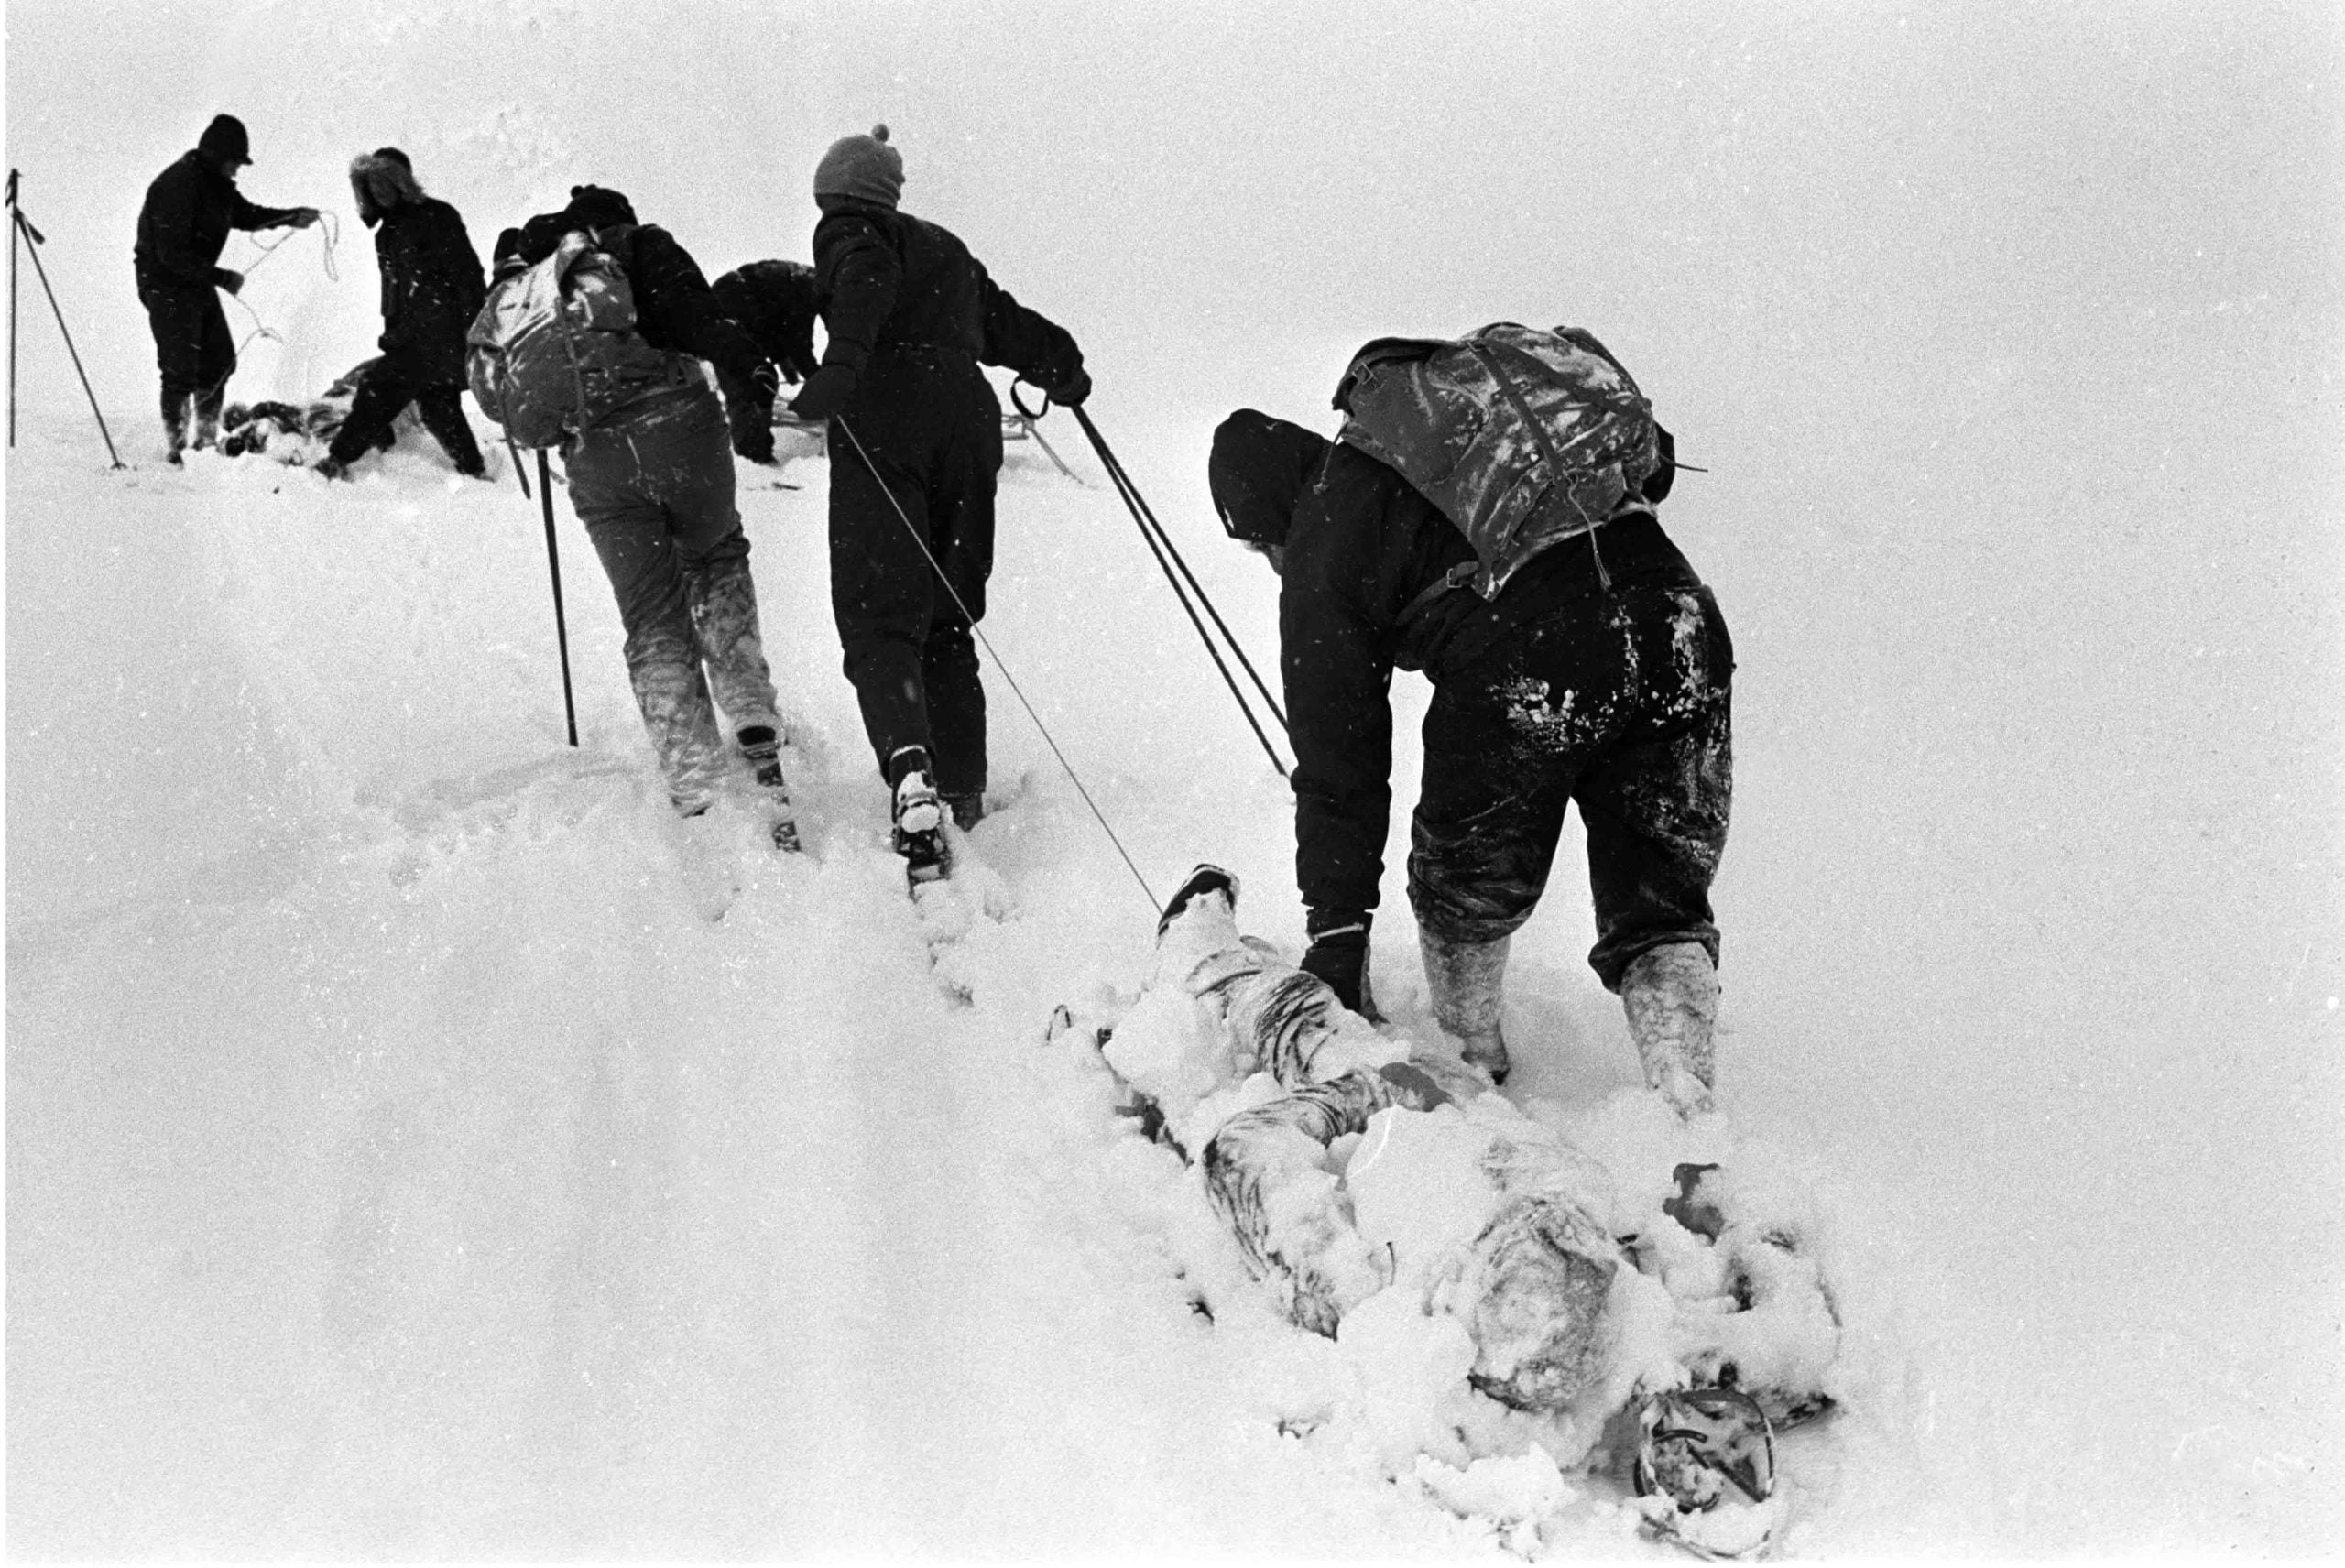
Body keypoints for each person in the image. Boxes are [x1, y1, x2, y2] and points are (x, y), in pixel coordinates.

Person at [1052, 864, 1837, 1558]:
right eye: (1727, 1422)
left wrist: (1368, 1097)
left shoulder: (1384, 1312)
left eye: (1689, 1453)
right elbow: (1783, 1329)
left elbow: (1243, 1159)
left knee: (1280, 1022)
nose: (1702, 1418)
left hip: (1369, 1124)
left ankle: (1193, 948)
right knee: (1318, 1015)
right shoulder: (1650, 1337)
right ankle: (1241, 969)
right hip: (1458, 1101)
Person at [1207, 389, 1731, 1116]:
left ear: (1269, 516)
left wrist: (1336, 929)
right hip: (1678, 622)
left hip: (1532, 655)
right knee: (1660, 902)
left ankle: (1473, 1081)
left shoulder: (1323, 535)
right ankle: (1688, 1117)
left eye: (1257, 543)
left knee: (1464, 891)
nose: (1268, 560)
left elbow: (1340, 765)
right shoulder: (1433, 455)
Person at [791, 124, 1090, 877]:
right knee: (949, 616)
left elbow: (863, 282)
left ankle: (912, 771)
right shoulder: (946, 250)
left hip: (889, 419)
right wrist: (1059, 360)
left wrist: (844, 366)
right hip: (966, 419)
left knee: (879, 613)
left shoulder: (850, 231)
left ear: (839, 192)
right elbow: (1002, 323)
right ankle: (963, 790)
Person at [502, 185, 791, 822]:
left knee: (650, 611)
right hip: (680, 429)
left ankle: (692, 772)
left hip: (597, 459)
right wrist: (746, 361)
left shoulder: (537, 278)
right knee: (715, 555)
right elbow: (696, 315)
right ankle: (747, 708)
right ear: (619, 220)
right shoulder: (641, 246)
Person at [132, 114, 321, 461]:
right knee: (179, 371)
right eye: (234, 162)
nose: (237, 170)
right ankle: (176, 450)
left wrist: (289, 217)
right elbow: (170, 254)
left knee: (218, 361)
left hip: (194, 281)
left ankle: (203, 444)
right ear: (217, 156)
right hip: (165, 285)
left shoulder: (216, 185)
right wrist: (222, 278)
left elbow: (244, 214)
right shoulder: (177, 185)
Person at [314, 148, 486, 480]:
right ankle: (475, 469)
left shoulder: (436, 216)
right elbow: (395, 292)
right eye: (370, 186)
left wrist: (474, 327)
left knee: (376, 392)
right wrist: (393, 329)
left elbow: (468, 275)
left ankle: (336, 459)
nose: (378, 192)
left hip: (433, 334)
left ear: (400, 183)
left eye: (383, 183)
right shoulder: (387, 231)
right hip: (413, 335)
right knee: (438, 408)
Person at [709, 258, 821, 463]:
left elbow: (779, 322)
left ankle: (754, 451)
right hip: (728, 315)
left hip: (732, 307)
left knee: (758, 383)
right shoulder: (809, 290)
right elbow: (798, 344)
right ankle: (753, 460)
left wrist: (785, 360)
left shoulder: (803, 281)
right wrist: (825, 384)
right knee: (750, 387)